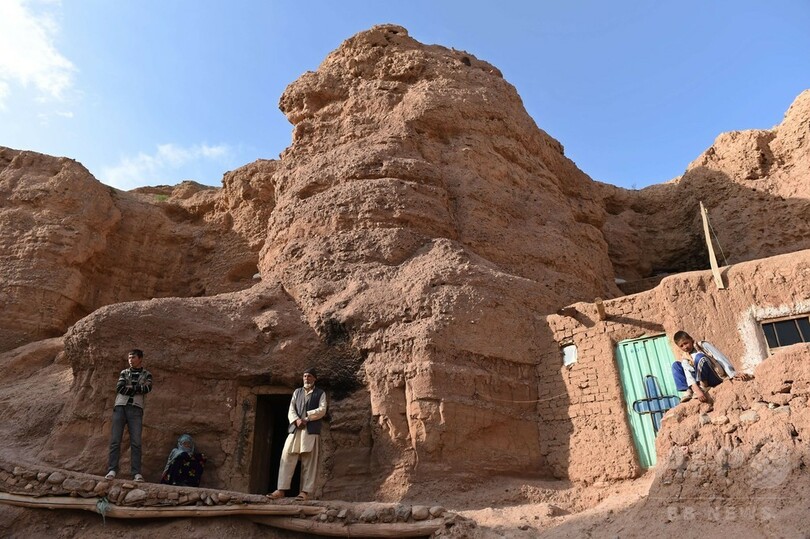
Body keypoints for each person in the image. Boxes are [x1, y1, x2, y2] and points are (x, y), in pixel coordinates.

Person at [267, 368, 327, 501]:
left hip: (310, 431)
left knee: (309, 461)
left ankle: (305, 492)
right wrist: (296, 420)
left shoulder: (320, 393)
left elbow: (322, 410)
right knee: (287, 457)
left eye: (309, 376)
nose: (306, 378)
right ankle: (281, 490)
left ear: (315, 378)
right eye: (305, 376)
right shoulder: (297, 392)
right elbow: (291, 409)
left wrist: (307, 418)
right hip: (295, 429)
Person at [105, 349, 153, 482]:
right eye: (129, 358)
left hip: (136, 409)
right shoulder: (124, 372)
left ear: (140, 359)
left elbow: (147, 388)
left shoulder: (147, 374)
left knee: (136, 442)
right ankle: (112, 470)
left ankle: (136, 473)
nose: (130, 360)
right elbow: (119, 388)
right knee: (115, 440)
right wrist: (137, 388)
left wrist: (130, 387)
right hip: (120, 407)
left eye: (133, 357)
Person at [671, 331, 749, 403]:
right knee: (676, 365)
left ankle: (703, 386)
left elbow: (720, 357)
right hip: (698, 382)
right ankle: (689, 391)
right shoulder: (685, 357)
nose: (685, 347)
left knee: (699, 357)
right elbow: (689, 375)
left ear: (691, 339)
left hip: (714, 376)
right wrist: (697, 390)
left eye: (686, 343)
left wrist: (732, 373)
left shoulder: (702, 345)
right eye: (681, 346)